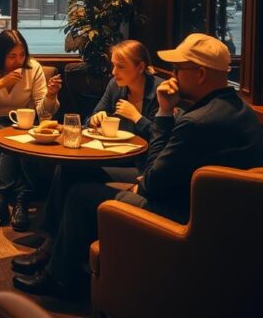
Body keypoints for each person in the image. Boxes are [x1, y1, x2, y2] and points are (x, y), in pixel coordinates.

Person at [13, 33, 263, 299]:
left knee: (81, 195)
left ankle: (61, 279)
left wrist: (164, 112)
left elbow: (151, 183)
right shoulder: (239, 109)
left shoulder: (198, 121)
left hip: (188, 222)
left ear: (201, 74)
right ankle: (54, 251)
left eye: (179, 69)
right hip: (212, 213)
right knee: (72, 170)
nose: (173, 75)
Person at [12, 40, 163, 275]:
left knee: (77, 184)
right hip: (114, 157)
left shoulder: (159, 93)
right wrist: (96, 118)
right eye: (113, 66)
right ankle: (51, 244)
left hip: (142, 168)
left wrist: (137, 118)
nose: (114, 72)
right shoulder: (116, 85)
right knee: (67, 169)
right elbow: (90, 117)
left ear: (140, 67)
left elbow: (161, 139)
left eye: (120, 66)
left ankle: (56, 257)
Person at [0, 29, 62, 232]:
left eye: (22, 55)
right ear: (0, 56)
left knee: (16, 141)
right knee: (10, 140)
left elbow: (44, 113)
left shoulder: (33, 69)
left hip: (19, 124)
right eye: (12, 56)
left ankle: (17, 202)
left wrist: (51, 97)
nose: (18, 61)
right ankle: (6, 202)